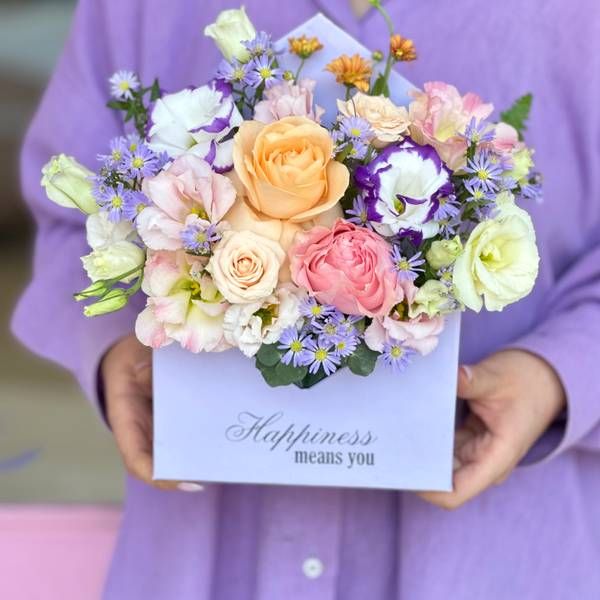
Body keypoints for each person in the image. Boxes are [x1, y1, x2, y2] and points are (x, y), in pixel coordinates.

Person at [13, 0, 600, 598]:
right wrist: (114, 346)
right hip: (203, 547)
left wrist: (558, 375)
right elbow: (75, 214)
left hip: (492, 553)